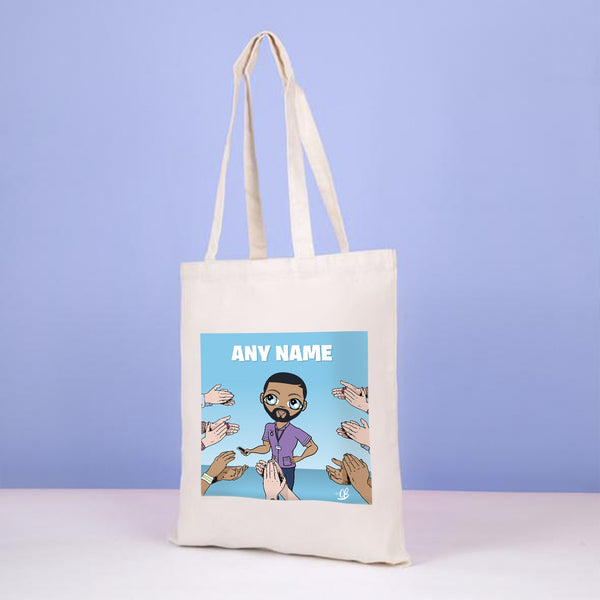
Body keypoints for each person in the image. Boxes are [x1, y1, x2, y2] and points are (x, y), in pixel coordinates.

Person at [239, 372, 318, 491]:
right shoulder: (269, 427)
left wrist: (300, 457)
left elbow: (313, 447)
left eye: (293, 402)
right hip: (272, 467)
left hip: (288, 468)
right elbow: (266, 448)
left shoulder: (295, 431)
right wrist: (250, 451)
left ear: (303, 406)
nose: (282, 407)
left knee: (288, 494)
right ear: (262, 398)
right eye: (271, 398)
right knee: (272, 494)